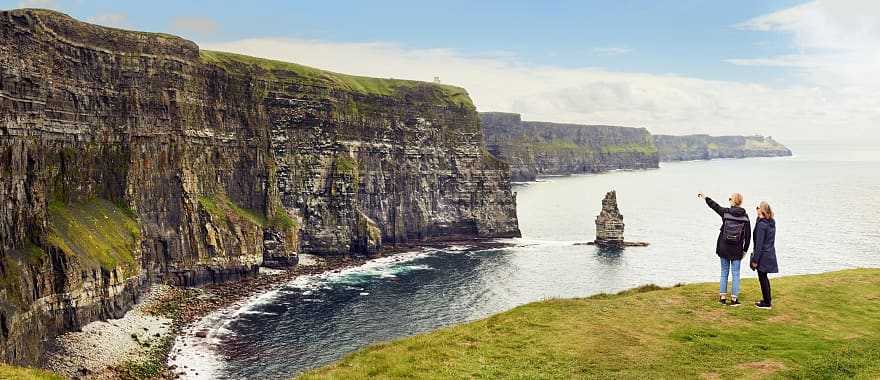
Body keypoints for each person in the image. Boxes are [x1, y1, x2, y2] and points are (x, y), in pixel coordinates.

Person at [697, 192, 751, 306]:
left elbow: (714, 206)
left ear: (733, 201)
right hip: (737, 250)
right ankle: (734, 300)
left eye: (730, 198)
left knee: (724, 272)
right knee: (736, 273)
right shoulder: (745, 217)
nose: (729, 200)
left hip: (724, 248)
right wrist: (745, 251)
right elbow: (748, 236)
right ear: (740, 202)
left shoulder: (725, 213)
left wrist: (706, 197)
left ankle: (722, 298)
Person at [751, 202, 778, 309]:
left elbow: (759, 244)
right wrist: (759, 218)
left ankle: (767, 303)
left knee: (762, 278)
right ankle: (767, 300)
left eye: (757, 207)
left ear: (761, 210)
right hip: (769, 253)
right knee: (764, 277)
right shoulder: (771, 222)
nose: (756, 209)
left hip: (763, 255)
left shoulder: (762, 225)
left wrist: (755, 260)